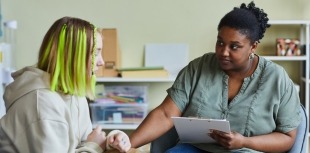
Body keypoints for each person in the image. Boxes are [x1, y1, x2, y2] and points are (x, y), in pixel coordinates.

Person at [129, 1, 302, 153]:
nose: (223, 52)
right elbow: (166, 114)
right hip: (194, 148)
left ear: (253, 47)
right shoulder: (198, 68)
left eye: (234, 46)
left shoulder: (277, 79)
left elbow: (288, 138)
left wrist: (244, 141)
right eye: (220, 42)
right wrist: (126, 144)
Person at [0, 16, 131, 153]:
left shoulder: (74, 94)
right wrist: (94, 147)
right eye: (96, 53)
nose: (102, 62)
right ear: (74, 56)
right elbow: (87, 146)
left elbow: (81, 143)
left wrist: (110, 141)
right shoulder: (42, 103)